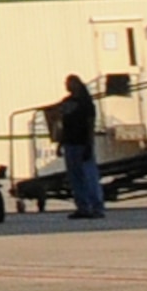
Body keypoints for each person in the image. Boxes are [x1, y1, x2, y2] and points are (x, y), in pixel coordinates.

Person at [57, 75, 105, 219]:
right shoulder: (66, 102)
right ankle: (82, 207)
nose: (67, 85)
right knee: (75, 177)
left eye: (70, 83)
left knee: (89, 176)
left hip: (82, 143)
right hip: (70, 144)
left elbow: (90, 124)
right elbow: (63, 125)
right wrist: (61, 143)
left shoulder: (86, 103)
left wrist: (89, 144)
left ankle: (96, 207)